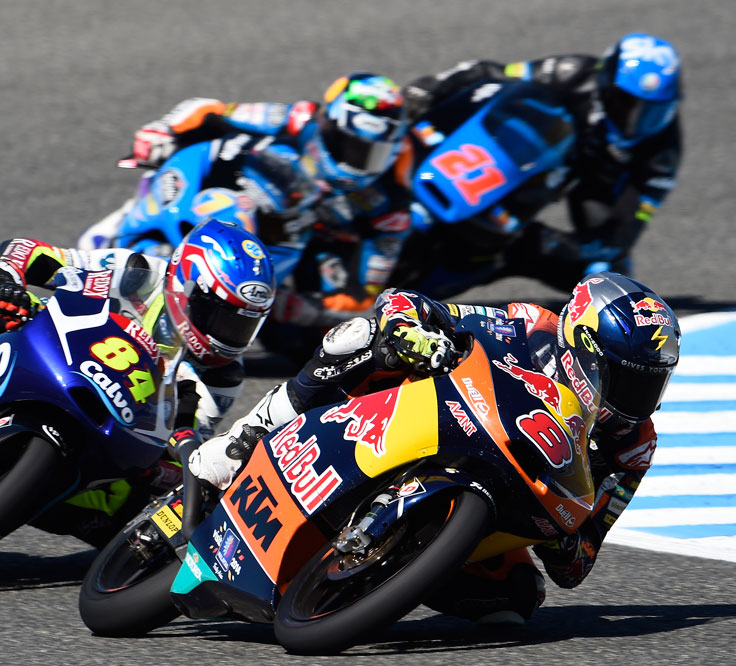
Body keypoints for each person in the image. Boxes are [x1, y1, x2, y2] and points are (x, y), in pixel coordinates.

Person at [190, 271, 680, 624]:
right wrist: (415, 334)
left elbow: (577, 565)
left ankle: (370, 581)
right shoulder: (529, 325)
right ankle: (249, 436)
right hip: (425, 418)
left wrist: (566, 530)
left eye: (651, 385)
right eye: (628, 380)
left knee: (515, 601)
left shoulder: (632, 448)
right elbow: (413, 305)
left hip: (502, 502)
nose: (637, 401)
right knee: (361, 338)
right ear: (584, 349)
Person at [0, 218, 276, 546]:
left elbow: (192, 438)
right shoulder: (141, 274)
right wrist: (10, 282)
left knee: (117, 513)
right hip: (54, 361)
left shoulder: (222, 375)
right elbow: (32, 254)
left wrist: (169, 462)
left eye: (244, 324)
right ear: (187, 287)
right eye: (220, 316)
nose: (228, 335)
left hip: (109, 432)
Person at [88, 72, 413, 329]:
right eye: (354, 148)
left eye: (373, 153)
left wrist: (308, 309)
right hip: (249, 195)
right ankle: (141, 215)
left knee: (328, 310)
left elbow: (365, 292)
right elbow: (209, 110)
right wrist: (162, 130)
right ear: (330, 125)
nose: (359, 163)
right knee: (189, 148)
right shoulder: (301, 118)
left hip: (307, 244)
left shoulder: (389, 200)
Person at [401, 32, 683, 294]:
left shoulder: (664, 150)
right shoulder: (571, 72)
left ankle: (498, 257)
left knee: (608, 273)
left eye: (653, 113)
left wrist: (557, 244)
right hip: (529, 154)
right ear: (605, 83)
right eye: (625, 103)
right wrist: (432, 88)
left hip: (597, 184)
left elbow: (626, 228)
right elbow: (490, 72)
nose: (636, 122)